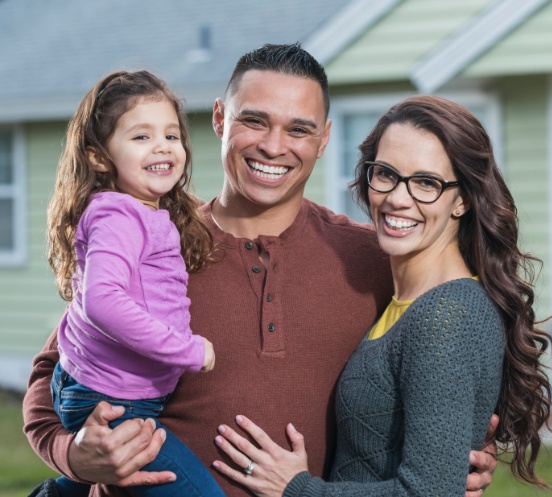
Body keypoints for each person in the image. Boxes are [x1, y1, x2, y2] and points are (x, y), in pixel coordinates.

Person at [23, 45, 497, 497]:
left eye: (298, 129)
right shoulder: (158, 243)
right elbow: (55, 374)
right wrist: (74, 457)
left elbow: (429, 382)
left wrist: (456, 456)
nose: (273, 147)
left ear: (324, 139)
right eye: (254, 121)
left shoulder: (372, 260)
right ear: (218, 119)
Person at [211, 95, 552, 496]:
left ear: (462, 199)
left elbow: (428, 493)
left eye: (427, 183)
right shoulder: (399, 299)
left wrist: (298, 490)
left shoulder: (446, 316)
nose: (397, 198)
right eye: (386, 174)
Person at [39, 70, 225, 497]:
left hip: (114, 391)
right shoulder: (119, 216)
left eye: (172, 135)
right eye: (141, 137)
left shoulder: (151, 213)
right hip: (111, 401)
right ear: (100, 158)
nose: (162, 146)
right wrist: (187, 349)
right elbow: (101, 302)